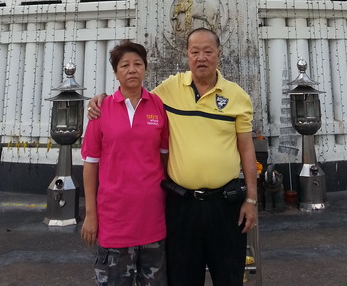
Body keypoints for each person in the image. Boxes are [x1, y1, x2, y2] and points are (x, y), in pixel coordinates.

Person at [88, 28, 258, 286]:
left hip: (225, 205)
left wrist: (252, 200)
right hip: (183, 207)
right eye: (195, 52)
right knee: (182, 278)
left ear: (218, 54)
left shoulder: (238, 97)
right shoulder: (169, 90)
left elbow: (247, 149)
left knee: (229, 277)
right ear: (187, 55)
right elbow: (133, 94)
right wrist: (100, 100)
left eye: (208, 51)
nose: (201, 57)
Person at [81, 41, 169, 286]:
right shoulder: (101, 110)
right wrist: (90, 215)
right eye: (125, 65)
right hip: (114, 221)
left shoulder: (158, 106)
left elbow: (164, 156)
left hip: (152, 219)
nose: (132, 70)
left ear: (145, 68)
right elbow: (91, 165)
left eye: (138, 64)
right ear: (116, 72)